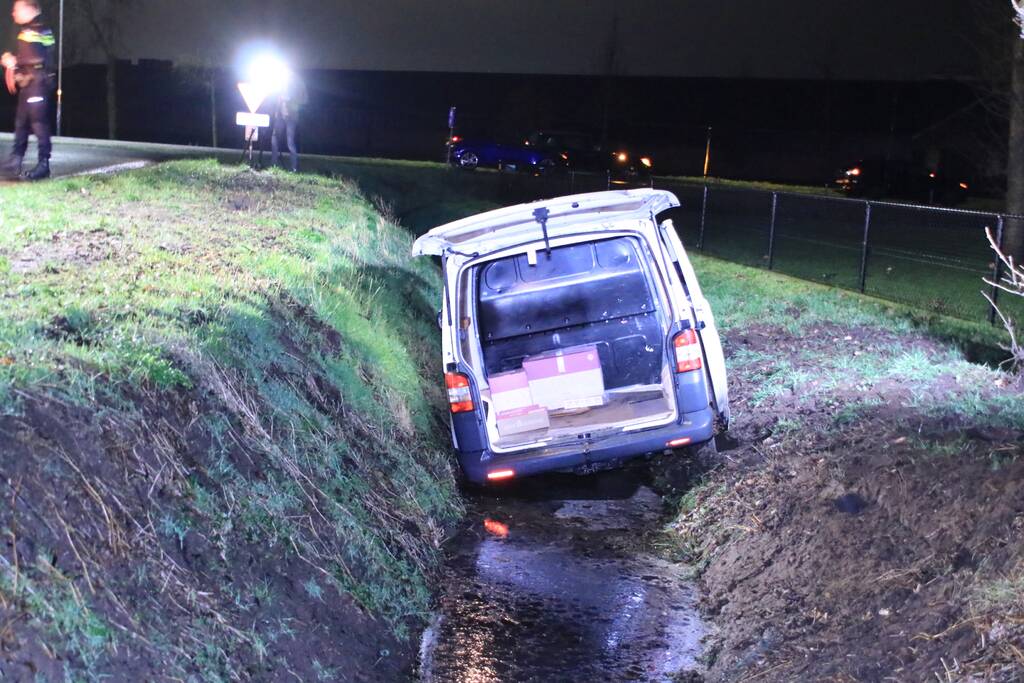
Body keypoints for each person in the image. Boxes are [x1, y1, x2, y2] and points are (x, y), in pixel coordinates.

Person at [1, 0, 54, 180]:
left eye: (16, 10)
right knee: (21, 123)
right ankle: (16, 159)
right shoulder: (30, 30)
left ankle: (44, 164)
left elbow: (38, 58)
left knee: (39, 124)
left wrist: (14, 61)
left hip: (37, 85)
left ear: (29, 10)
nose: (13, 13)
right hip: (29, 85)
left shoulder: (37, 30)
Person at [270, 72, 307, 172]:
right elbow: (278, 99)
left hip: (291, 118)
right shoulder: (280, 84)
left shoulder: (297, 85)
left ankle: (294, 168)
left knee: (290, 142)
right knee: (274, 139)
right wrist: (276, 113)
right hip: (280, 117)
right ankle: (274, 165)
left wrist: (290, 99)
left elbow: (304, 100)